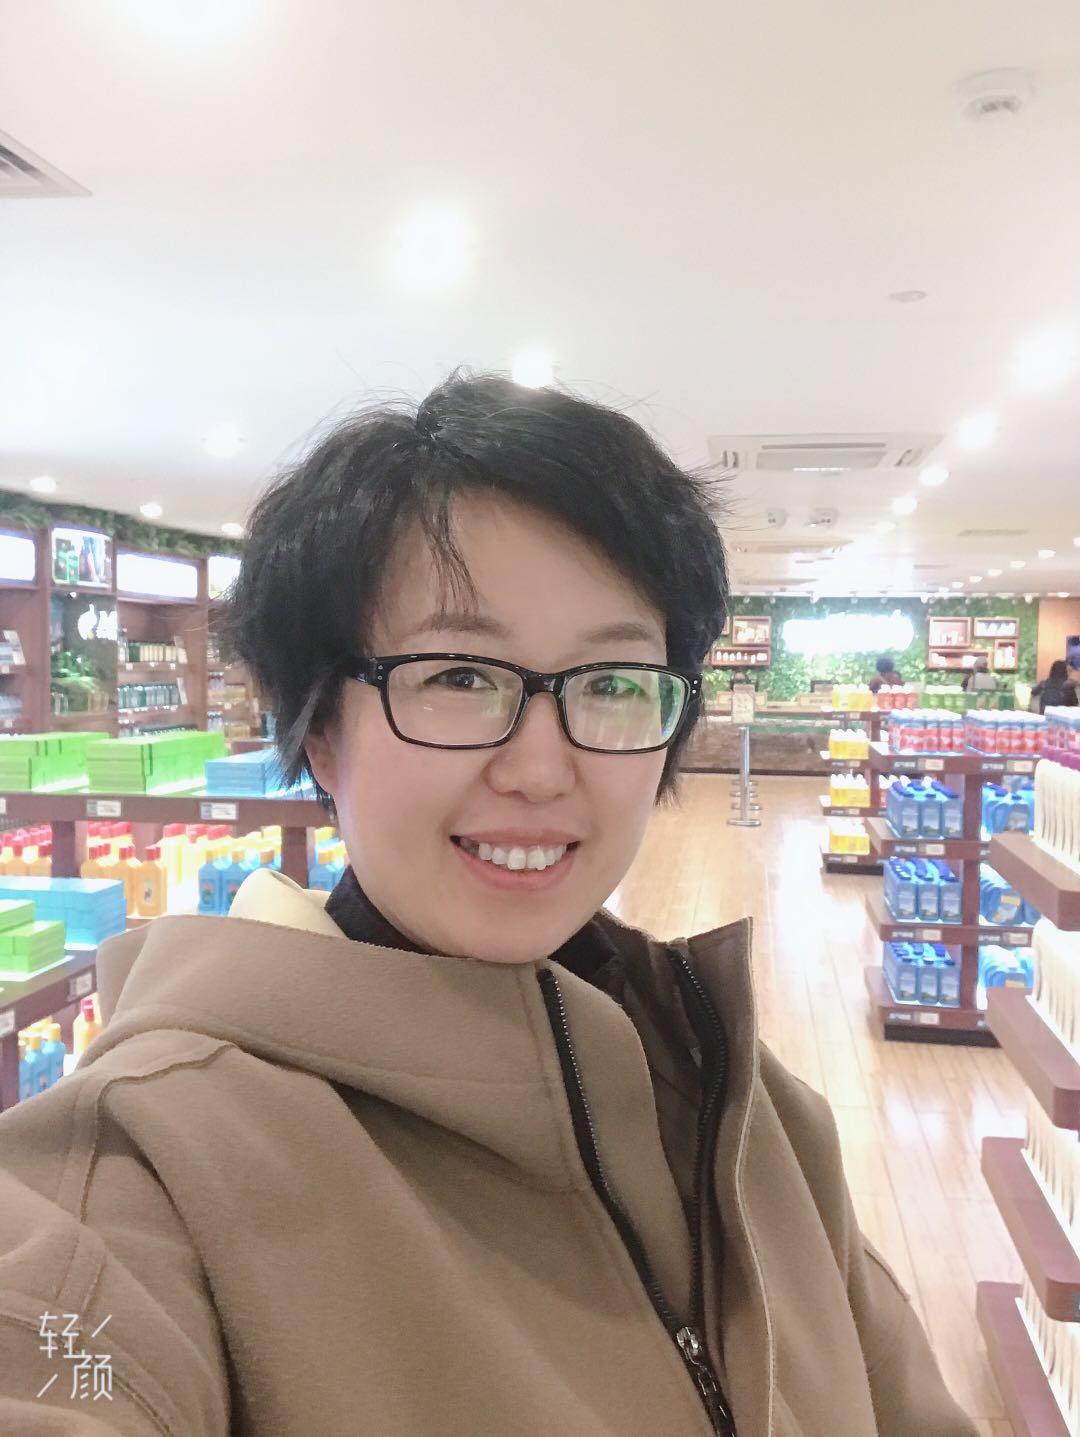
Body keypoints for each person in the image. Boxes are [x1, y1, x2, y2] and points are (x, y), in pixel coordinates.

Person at [0, 373, 977, 1435]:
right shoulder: (143, 1169)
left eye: (612, 682)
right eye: (460, 676)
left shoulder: (749, 1116)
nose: (541, 770)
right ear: (318, 728)